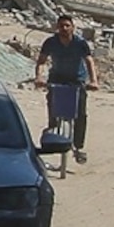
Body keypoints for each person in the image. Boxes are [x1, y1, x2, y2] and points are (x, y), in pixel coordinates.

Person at [38, 11, 95, 164]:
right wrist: (39, 77)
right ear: (57, 27)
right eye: (61, 26)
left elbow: (89, 61)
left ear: (73, 28)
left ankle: (78, 147)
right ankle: (52, 130)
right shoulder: (50, 42)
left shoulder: (80, 43)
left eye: (67, 26)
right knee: (53, 107)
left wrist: (93, 81)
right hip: (57, 78)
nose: (64, 28)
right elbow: (42, 61)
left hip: (77, 80)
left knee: (80, 113)